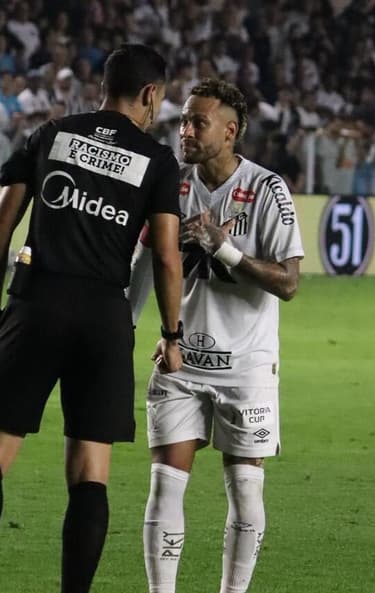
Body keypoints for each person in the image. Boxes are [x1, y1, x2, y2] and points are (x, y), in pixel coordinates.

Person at [0, 43, 184, 593]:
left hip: (37, 301)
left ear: (103, 87)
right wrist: (172, 334)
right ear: (149, 95)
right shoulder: (157, 160)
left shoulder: (50, 135)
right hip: (103, 316)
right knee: (89, 474)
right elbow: (167, 256)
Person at [127, 78, 304, 593]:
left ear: (229, 131)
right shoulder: (169, 183)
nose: (185, 130)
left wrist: (224, 249)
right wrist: (126, 329)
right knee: (164, 486)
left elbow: (289, 283)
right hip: (178, 360)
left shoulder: (268, 189)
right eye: (183, 120)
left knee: (246, 495)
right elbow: (143, 264)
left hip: (246, 366)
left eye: (197, 122)